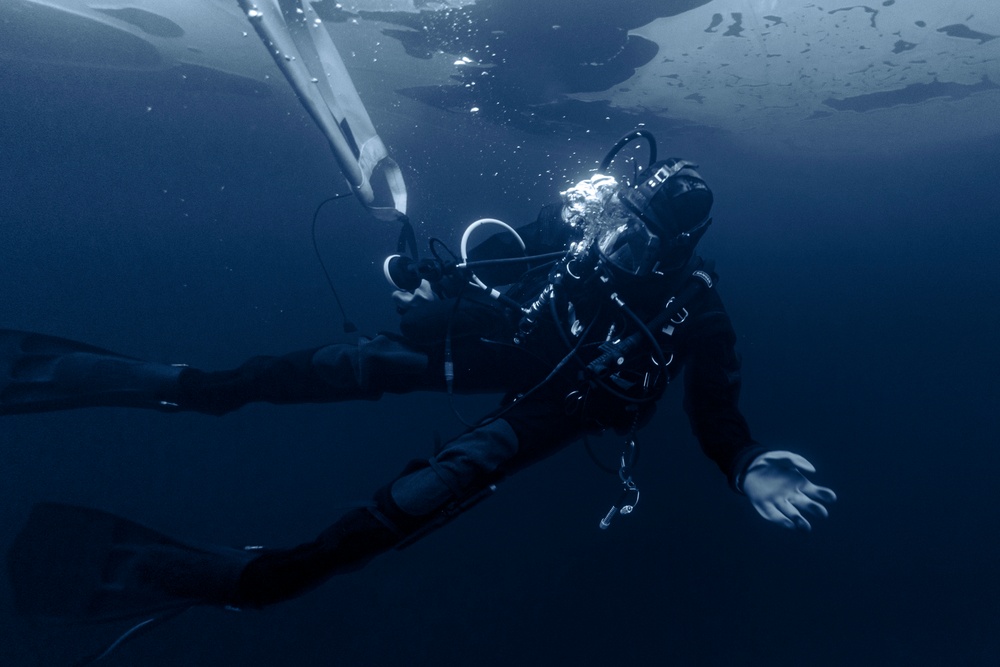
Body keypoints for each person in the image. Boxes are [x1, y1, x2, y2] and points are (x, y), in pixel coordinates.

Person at [3, 140, 836, 623]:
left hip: (564, 402)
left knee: (446, 477)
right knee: (349, 363)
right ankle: (188, 385)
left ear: (679, 246)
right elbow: (505, 252)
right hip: (509, 341)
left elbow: (715, 407)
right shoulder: (585, 228)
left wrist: (746, 463)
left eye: (640, 238)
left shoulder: (697, 311)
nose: (617, 242)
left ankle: (264, 578)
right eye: (620, 222)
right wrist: (429, 282)